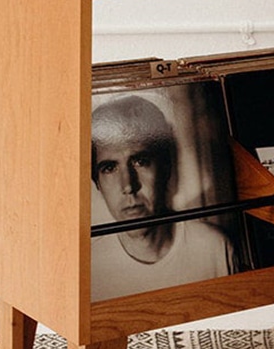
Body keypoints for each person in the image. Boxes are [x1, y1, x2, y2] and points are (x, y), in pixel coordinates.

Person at [89, 95, 235, 299]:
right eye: (109, 168)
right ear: (97, 182)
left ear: (165, 168)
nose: (128, 185)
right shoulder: (89, 268)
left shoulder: (213, 247)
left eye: (140, 161)